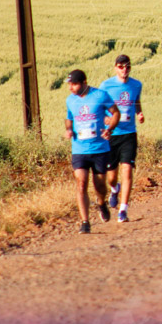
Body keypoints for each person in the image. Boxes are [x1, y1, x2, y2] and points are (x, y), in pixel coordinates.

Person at [64, 69, 120, 234]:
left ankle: (101, 203)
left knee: (99, 185)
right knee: (81, 183)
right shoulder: (70, 100)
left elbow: (115, 113)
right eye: (69, 85)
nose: (71, 88)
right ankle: (85, 222)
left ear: (84, 83)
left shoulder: (100, 96)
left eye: (74, 84)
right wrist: (68, 129)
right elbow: (69, 118)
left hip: (100, 149)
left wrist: (110, 129)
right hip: (79, 149)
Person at [99, 54, 143, 223]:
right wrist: (105, 120)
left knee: (127, 170)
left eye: (127, 66)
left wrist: (139, 113)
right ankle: (114, 189)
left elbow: (136, 101)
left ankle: (123, 210)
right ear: (115, 67)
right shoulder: (106, 85)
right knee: (111, 175)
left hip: (129, 134)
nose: (124, 70)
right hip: (112, 135)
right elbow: (99, 107)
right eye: (120, 66)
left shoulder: (136, 84)